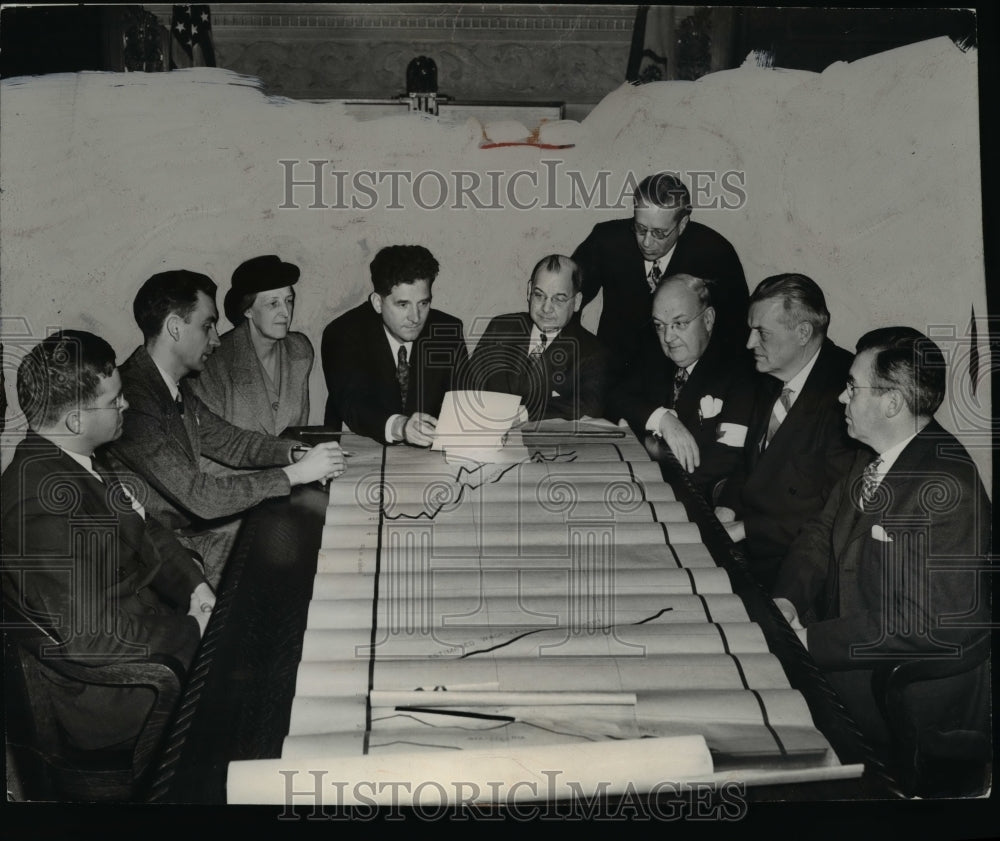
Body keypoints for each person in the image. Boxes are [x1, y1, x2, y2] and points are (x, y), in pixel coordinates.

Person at [772, 327, 991, 762]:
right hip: (852, 644)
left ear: (892, 403)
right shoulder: (873, 452)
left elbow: (922, 621)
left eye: (852, 387)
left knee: (762, 710)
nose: (841, 397)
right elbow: (820, 533)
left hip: (902, 690)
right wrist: (787, 600)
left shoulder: (948, 487)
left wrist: (810, 640)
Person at [1, 330, 214, 753]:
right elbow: (91, 637)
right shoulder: (37, 509)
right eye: (114, 400)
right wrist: (193, 628)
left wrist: (197, 588)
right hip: (123, 694)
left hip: (149, 637)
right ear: (76, 420)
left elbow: (148, 529)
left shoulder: (78, 461)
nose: (126, 405)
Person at [107, 270, 345, 586]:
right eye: (207, 325)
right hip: (149, 559)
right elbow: (202, 497)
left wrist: (296, 453)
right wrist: (297, 474)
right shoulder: (135, 399)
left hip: (184, 539)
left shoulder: (169, 387)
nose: (217, 338)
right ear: (176, 329)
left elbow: (230, 441)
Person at [715, 273, 859, 591]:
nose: (750, 343)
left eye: (762, 333)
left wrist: (745, 528)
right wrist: (725, 508)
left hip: (797, 571)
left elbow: (830, 510)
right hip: (750, 547)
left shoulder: (847, 396)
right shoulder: (770, 376)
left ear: (803, 332)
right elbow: (749, 466)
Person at [572, 171, 748, 370]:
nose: (646, 242)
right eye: (639, 228)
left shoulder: (715, 254)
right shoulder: (607, 240)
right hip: (615, 373)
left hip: (683, 378)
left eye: (659, 233)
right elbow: (565, 297)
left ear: (682, 225)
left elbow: (736, 330)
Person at [609, 273, 759, 501]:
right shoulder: (654, 356)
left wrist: (653, 470)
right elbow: (615, 398)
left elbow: (725, 460)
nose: (668, 337)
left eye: (679, 324)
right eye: (660, 326)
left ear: (708, 319)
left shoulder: (739, 371)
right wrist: (662, 419)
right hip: (640, 490)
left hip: (691, 499)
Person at [321, 245, 469, 446]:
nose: (415, 317)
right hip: (362, 448)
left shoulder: (447, 330)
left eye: (423, 304)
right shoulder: (343, 334)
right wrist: (401, 426)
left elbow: (461, 401)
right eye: (403, 305)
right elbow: (354, 405)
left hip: (429, 456)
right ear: (377, 303)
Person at [466, 254, 610, 423]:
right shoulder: (501, 327)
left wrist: (526, 413)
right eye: (539, 295)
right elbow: (469, 388)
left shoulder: (593, 352)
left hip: (547, 446)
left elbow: (590, 406)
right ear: (529, 291)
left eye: (559, 299)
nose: (546, 308)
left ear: (577, 302)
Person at [190, 254, 313, 435]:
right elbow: (209, 447)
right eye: (273, 303)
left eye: (289, 301)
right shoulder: (214, 362)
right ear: (247, 309)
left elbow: (299, 434)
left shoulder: (300, 349)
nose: (286, 313)